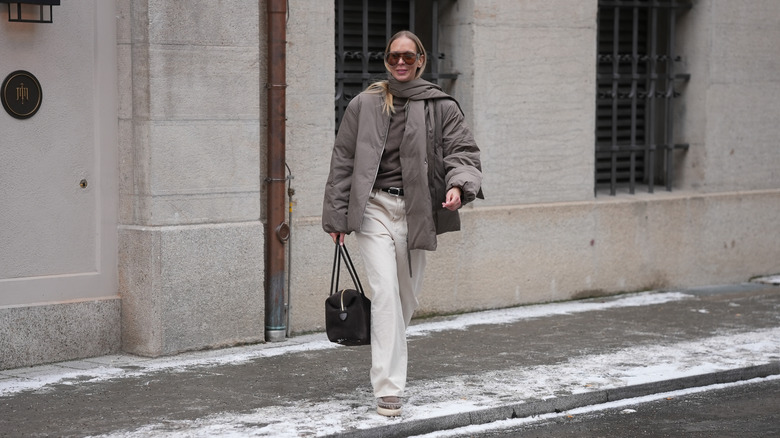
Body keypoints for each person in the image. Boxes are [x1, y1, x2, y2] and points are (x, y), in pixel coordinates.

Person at [322, 30, 483, 417]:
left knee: (405, 300)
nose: (400, 63)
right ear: (386, 60)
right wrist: (336, 215)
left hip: (416, 212)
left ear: (421, 61)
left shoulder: (441, 106)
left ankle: (389, 353)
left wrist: (459, 186)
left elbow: (463, 152)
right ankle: (388, 388)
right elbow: (343, 160)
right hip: (374, 208)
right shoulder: (365, 104)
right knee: (386, 293)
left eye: (408, 57)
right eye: (394, 56)